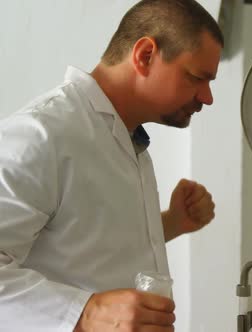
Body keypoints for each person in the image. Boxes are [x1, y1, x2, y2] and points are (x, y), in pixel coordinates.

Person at [0, 0, 223, 331]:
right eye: (196, 78)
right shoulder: (43, 133)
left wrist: (173, 223)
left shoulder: (128, 139)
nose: (207, 97)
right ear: (145, 55)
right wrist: (86, 313)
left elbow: (85, 245)